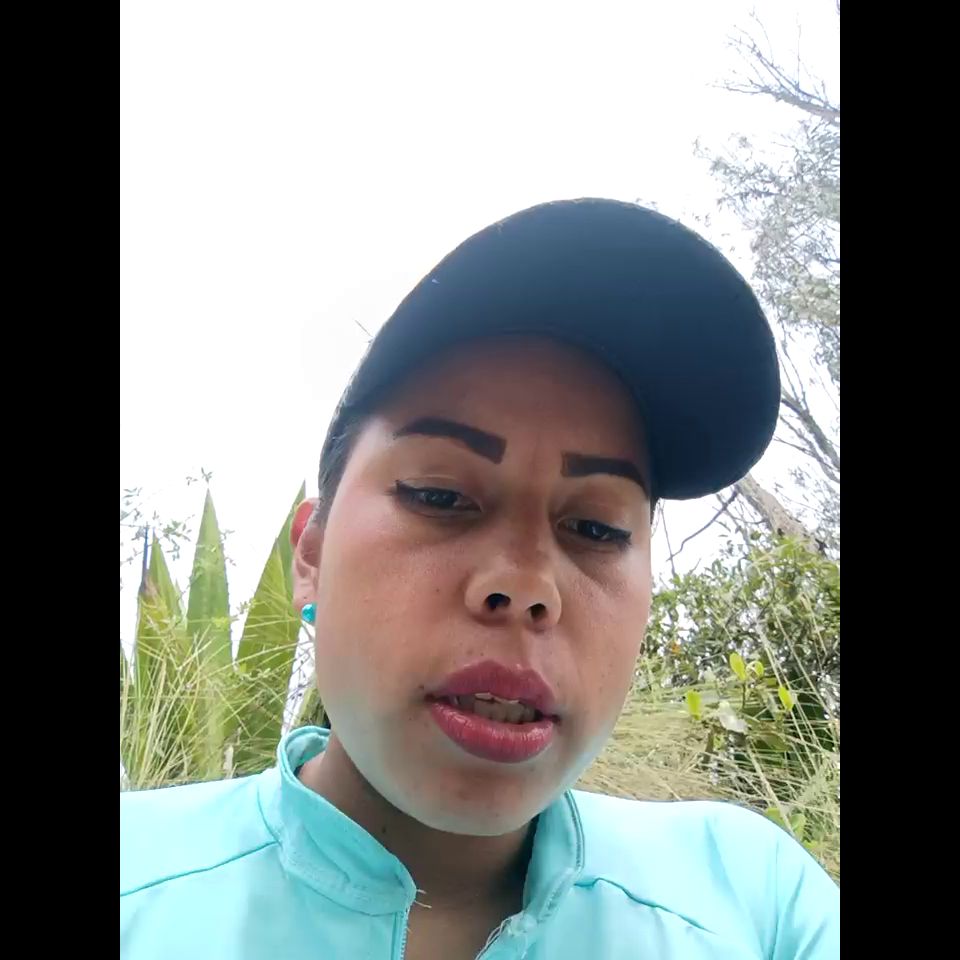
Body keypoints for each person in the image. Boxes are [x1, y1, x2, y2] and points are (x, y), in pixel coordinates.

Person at [120, 199, 839, 959]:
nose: (527, 586)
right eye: (439, 496)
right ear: (312, 556)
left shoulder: (756, 905)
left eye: (597, 528)